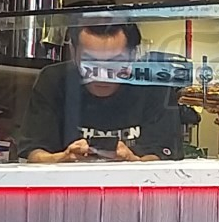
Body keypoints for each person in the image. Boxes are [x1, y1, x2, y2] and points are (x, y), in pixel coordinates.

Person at [19, 13, 182, 163]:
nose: (102, 74)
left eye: (116, 62)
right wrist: (62, 158)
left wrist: (134, 161)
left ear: (133, 55)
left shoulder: (155, 84)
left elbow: (164, 158)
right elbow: (34, 154)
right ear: (73, 52)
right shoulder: (54, 80)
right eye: (90, 61)